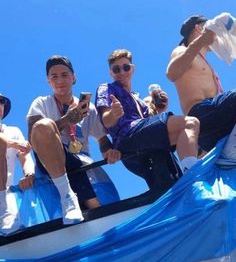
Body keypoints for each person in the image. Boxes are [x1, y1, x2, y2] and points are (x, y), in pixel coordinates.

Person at [27, 55, 120, 225]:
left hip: (82, 161)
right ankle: (70, 197)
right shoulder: (41, 103)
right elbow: (34, 137)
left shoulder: (87, 107)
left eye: (64, 74)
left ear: (74, 77)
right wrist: (66, 120)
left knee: (78, 164)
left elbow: (102, 139)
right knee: (44, 125)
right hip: (49, 164)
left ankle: (100, 216)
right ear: (48, 81)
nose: (60, 80)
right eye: (54, 76)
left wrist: (108, 151)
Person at [95, 49, 200, 179]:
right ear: (111, 73)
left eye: (126, 67)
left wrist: (160, 111)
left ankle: (186, 176)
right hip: (127, 137)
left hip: (143, 141)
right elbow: (106, 120)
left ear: (132, 69)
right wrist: (113, 113)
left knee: (172, 176)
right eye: (116, 69)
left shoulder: (138, 99)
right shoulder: (107, 88)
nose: (122, 72)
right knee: (190, 123)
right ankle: (192, 175)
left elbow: (150, 125)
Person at [166, 15, 236, 153]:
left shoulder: (207, 64)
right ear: (199, 28)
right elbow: (171, 73)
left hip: (213, 129)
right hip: (201, 113)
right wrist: (201, 40)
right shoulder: (182, 50)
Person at [0, 94, 35, 235]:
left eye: (1, 102)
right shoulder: (11, 138)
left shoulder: (13, 131)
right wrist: (13, 144)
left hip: (5, 196)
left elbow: (25, 157)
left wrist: (29, 174)